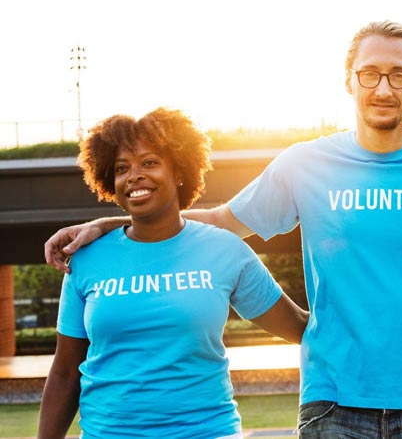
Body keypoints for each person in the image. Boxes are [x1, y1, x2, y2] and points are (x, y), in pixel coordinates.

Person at [44, 21, 402, 438]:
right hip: (331, 403)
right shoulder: (303, 163)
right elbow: (217, 223)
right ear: (348, 81)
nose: (383, 88)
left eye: (398, 75)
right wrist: (115, 221)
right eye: (370, 74)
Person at [37, 108, 309, 439]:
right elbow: (65, 373)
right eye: (122, 168)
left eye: (149, 162)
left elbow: (300, 327)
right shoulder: (86, 259)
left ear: (179, 171)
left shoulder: (225, 251)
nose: (134, 175)